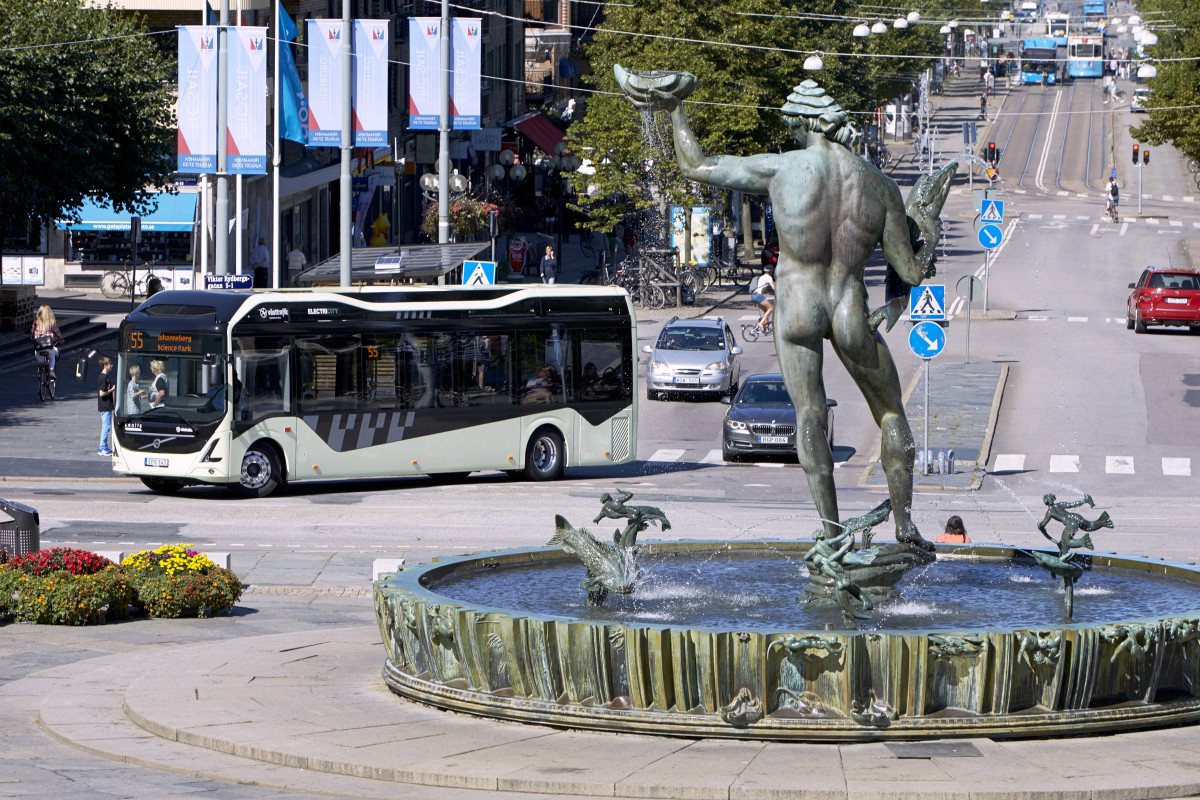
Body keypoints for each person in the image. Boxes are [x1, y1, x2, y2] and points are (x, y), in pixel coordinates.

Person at [632, 73, 955, 548]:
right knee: (891, 416)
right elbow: (908, 271)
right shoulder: (879, 185)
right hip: (850, 308)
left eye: (792, 126)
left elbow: (697, 166)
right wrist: (926, 237)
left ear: (804, 122)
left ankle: (832, 533)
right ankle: (905, 527)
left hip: (798, 305)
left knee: (808, 415)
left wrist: (676, 108)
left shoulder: (782, 169)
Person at [30, 304, 62, 379]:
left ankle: (40, 367)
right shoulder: (52, 323)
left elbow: (32, 334)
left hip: (39, 348)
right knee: (52, 356)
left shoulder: (35, 323)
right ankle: (51, 370)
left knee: (38, 356)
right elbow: (58, 334)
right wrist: (60, 339)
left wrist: (32, 339)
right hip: (49, 347)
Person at [97, 356, 116, 456]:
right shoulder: (103, 377)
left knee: (106, 426)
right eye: (110, 364)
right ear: (105, 365)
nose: (112, 365)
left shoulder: (104, 377)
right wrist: (111, 390)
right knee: (106, 427)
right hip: (105, 405)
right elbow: (101, 393)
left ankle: (103, 446)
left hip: (106, 405)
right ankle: (102, 448)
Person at [750, 262, 775, 332]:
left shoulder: (762, 277)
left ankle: (765, 327)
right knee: (770, 308)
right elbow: (774, 288)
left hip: (753, 296)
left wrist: (775, 295)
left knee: (766, 311)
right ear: (771, 271)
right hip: (758, 296)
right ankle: (761, 323)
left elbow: (767, 291)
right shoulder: (769, 277)